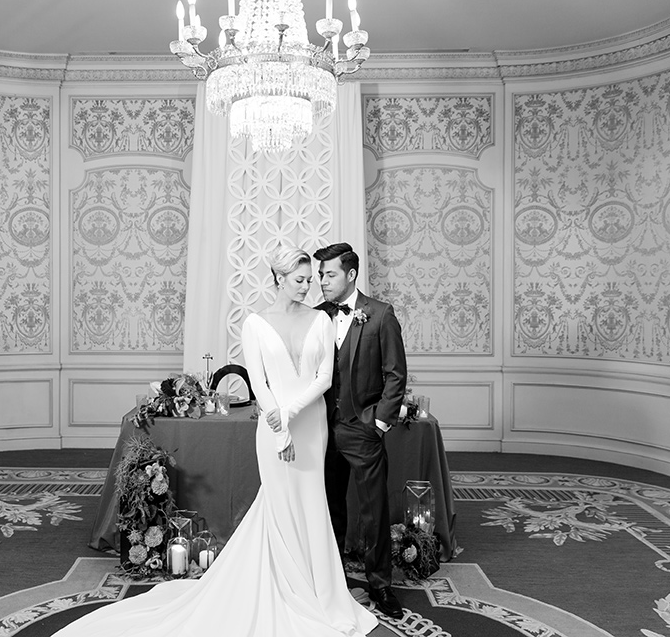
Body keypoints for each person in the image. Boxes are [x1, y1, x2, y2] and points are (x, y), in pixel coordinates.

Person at [51, 246, 377, 637]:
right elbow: (258, 381)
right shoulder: (255, 323)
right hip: (273, 430)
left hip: (309, 427)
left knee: (311, 504)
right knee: (279, 505)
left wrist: (288, 417)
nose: (309, 287)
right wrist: (278, 426)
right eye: (300, 280)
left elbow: (324, 378)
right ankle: (285, 587)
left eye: (311, 280)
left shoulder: (321, 321)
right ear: (279, 279)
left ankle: (318, 592)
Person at [313, 242, 407, 619]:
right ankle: (333, 583)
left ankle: (380, 586)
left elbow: (395, 375)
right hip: (322, 430)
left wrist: (378, 424)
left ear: (351, 275)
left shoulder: (381, 315)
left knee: (373, 512)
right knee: (330, 509)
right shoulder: (317, 316)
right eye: (320, 275)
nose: (322, 281)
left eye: (329, 274)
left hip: (363, 430)